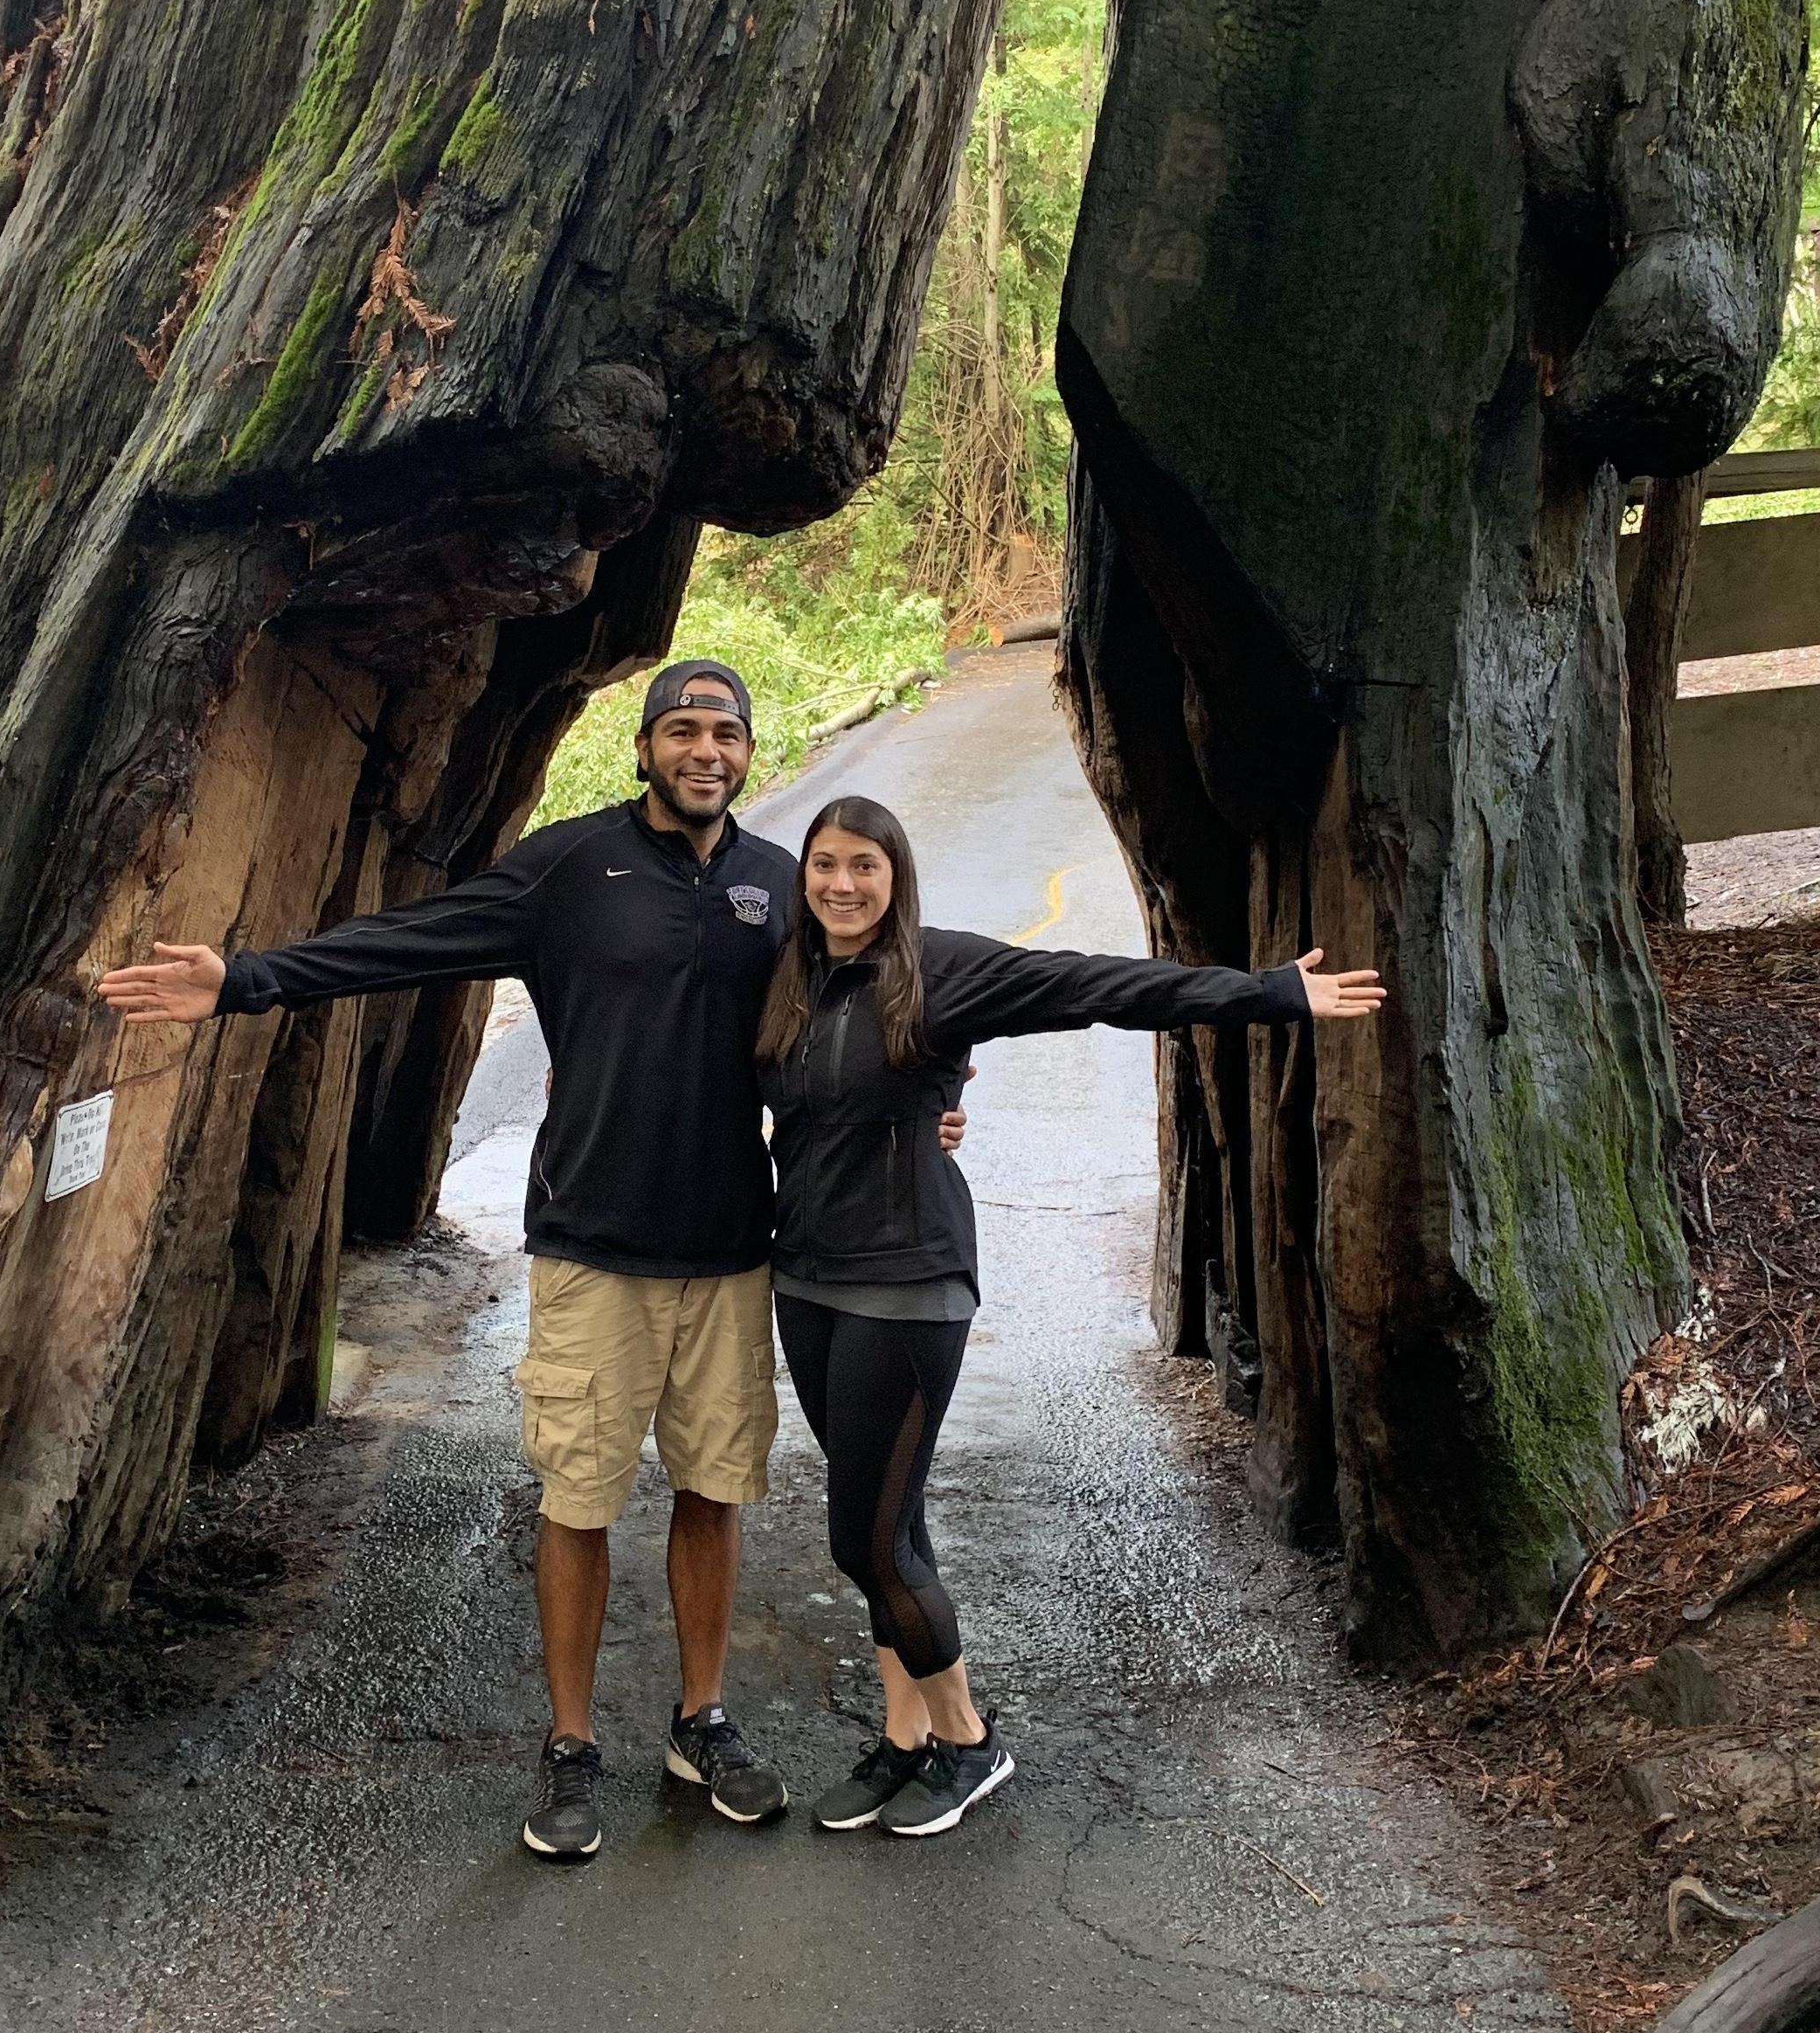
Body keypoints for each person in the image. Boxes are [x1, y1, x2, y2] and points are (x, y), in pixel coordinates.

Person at [96, 659, 949, 1865]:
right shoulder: (569, 866)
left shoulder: (778, 885)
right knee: (579, 1499)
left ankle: (701, 1720)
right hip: (592, 1244)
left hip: (730, 1248)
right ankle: (569, 1742)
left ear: (749, 754)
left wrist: (924, 1103)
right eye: (683, 730)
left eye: (726, 733)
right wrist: (246, 977)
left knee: (713, 1491)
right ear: (647, 746)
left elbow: (872, 1003)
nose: (705, 750)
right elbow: (417, 939)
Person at [757, 793, 1385, 1837]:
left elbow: (1094, 985)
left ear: (896, 876)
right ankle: (903, 1740)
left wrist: (1271, 993)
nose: (842, 885)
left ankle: (968, 1742)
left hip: (908, 1284)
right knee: (888, 1523)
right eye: (825, 864)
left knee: (864, 1540)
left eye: (865, 866)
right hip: (808, 1280)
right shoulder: (788, 979)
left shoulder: (942, 967)